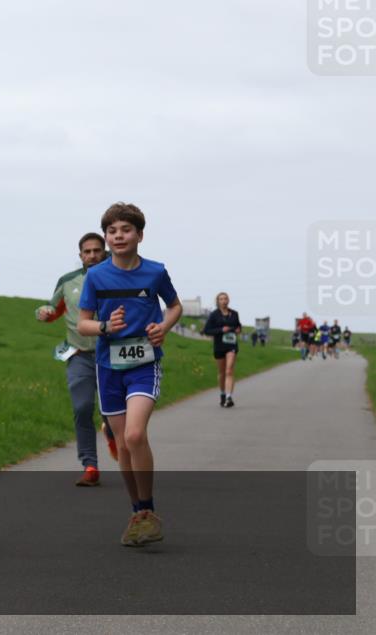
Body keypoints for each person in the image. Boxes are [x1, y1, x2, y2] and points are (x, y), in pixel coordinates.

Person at [78, 202, 182, 547]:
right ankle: (137, 512)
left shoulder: (155, 272)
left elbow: (175, 306)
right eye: (112, 231)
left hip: (144, 364)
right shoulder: (96, 276)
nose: (118, 236)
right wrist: (105, 326)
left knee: (135, 435)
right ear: (107, 237)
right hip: (108, 366)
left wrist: (163, 327)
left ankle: (148, 510)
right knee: (122, 443)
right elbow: (83, 323)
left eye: (126, 230)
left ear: (140, 235)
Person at [36, 232, 118, 486]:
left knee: (111, 412)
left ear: (104, 252)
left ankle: (111, 431)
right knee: (82, 408)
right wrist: (44, 312)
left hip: (112, 356)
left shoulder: (118, 277)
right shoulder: (68, 281)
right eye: (87, 252)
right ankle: (90, 466)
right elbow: (53, 308)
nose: (92, 255)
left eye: (96, 250)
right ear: (80, 255)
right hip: (79, 355)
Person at [202, 292, 241, 408]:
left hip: (232, 345)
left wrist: (238, 329)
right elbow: (207, 330)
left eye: (225, 299)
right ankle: (223, 394)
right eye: (221, 299)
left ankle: (229, 397)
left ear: (228, 300)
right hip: (219, 346)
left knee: (229, 371)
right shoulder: (214, 315)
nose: (224, 301)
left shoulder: (234, 314)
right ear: (218, 301)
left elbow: (238, 326)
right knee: (222, 372)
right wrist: (221, 330)